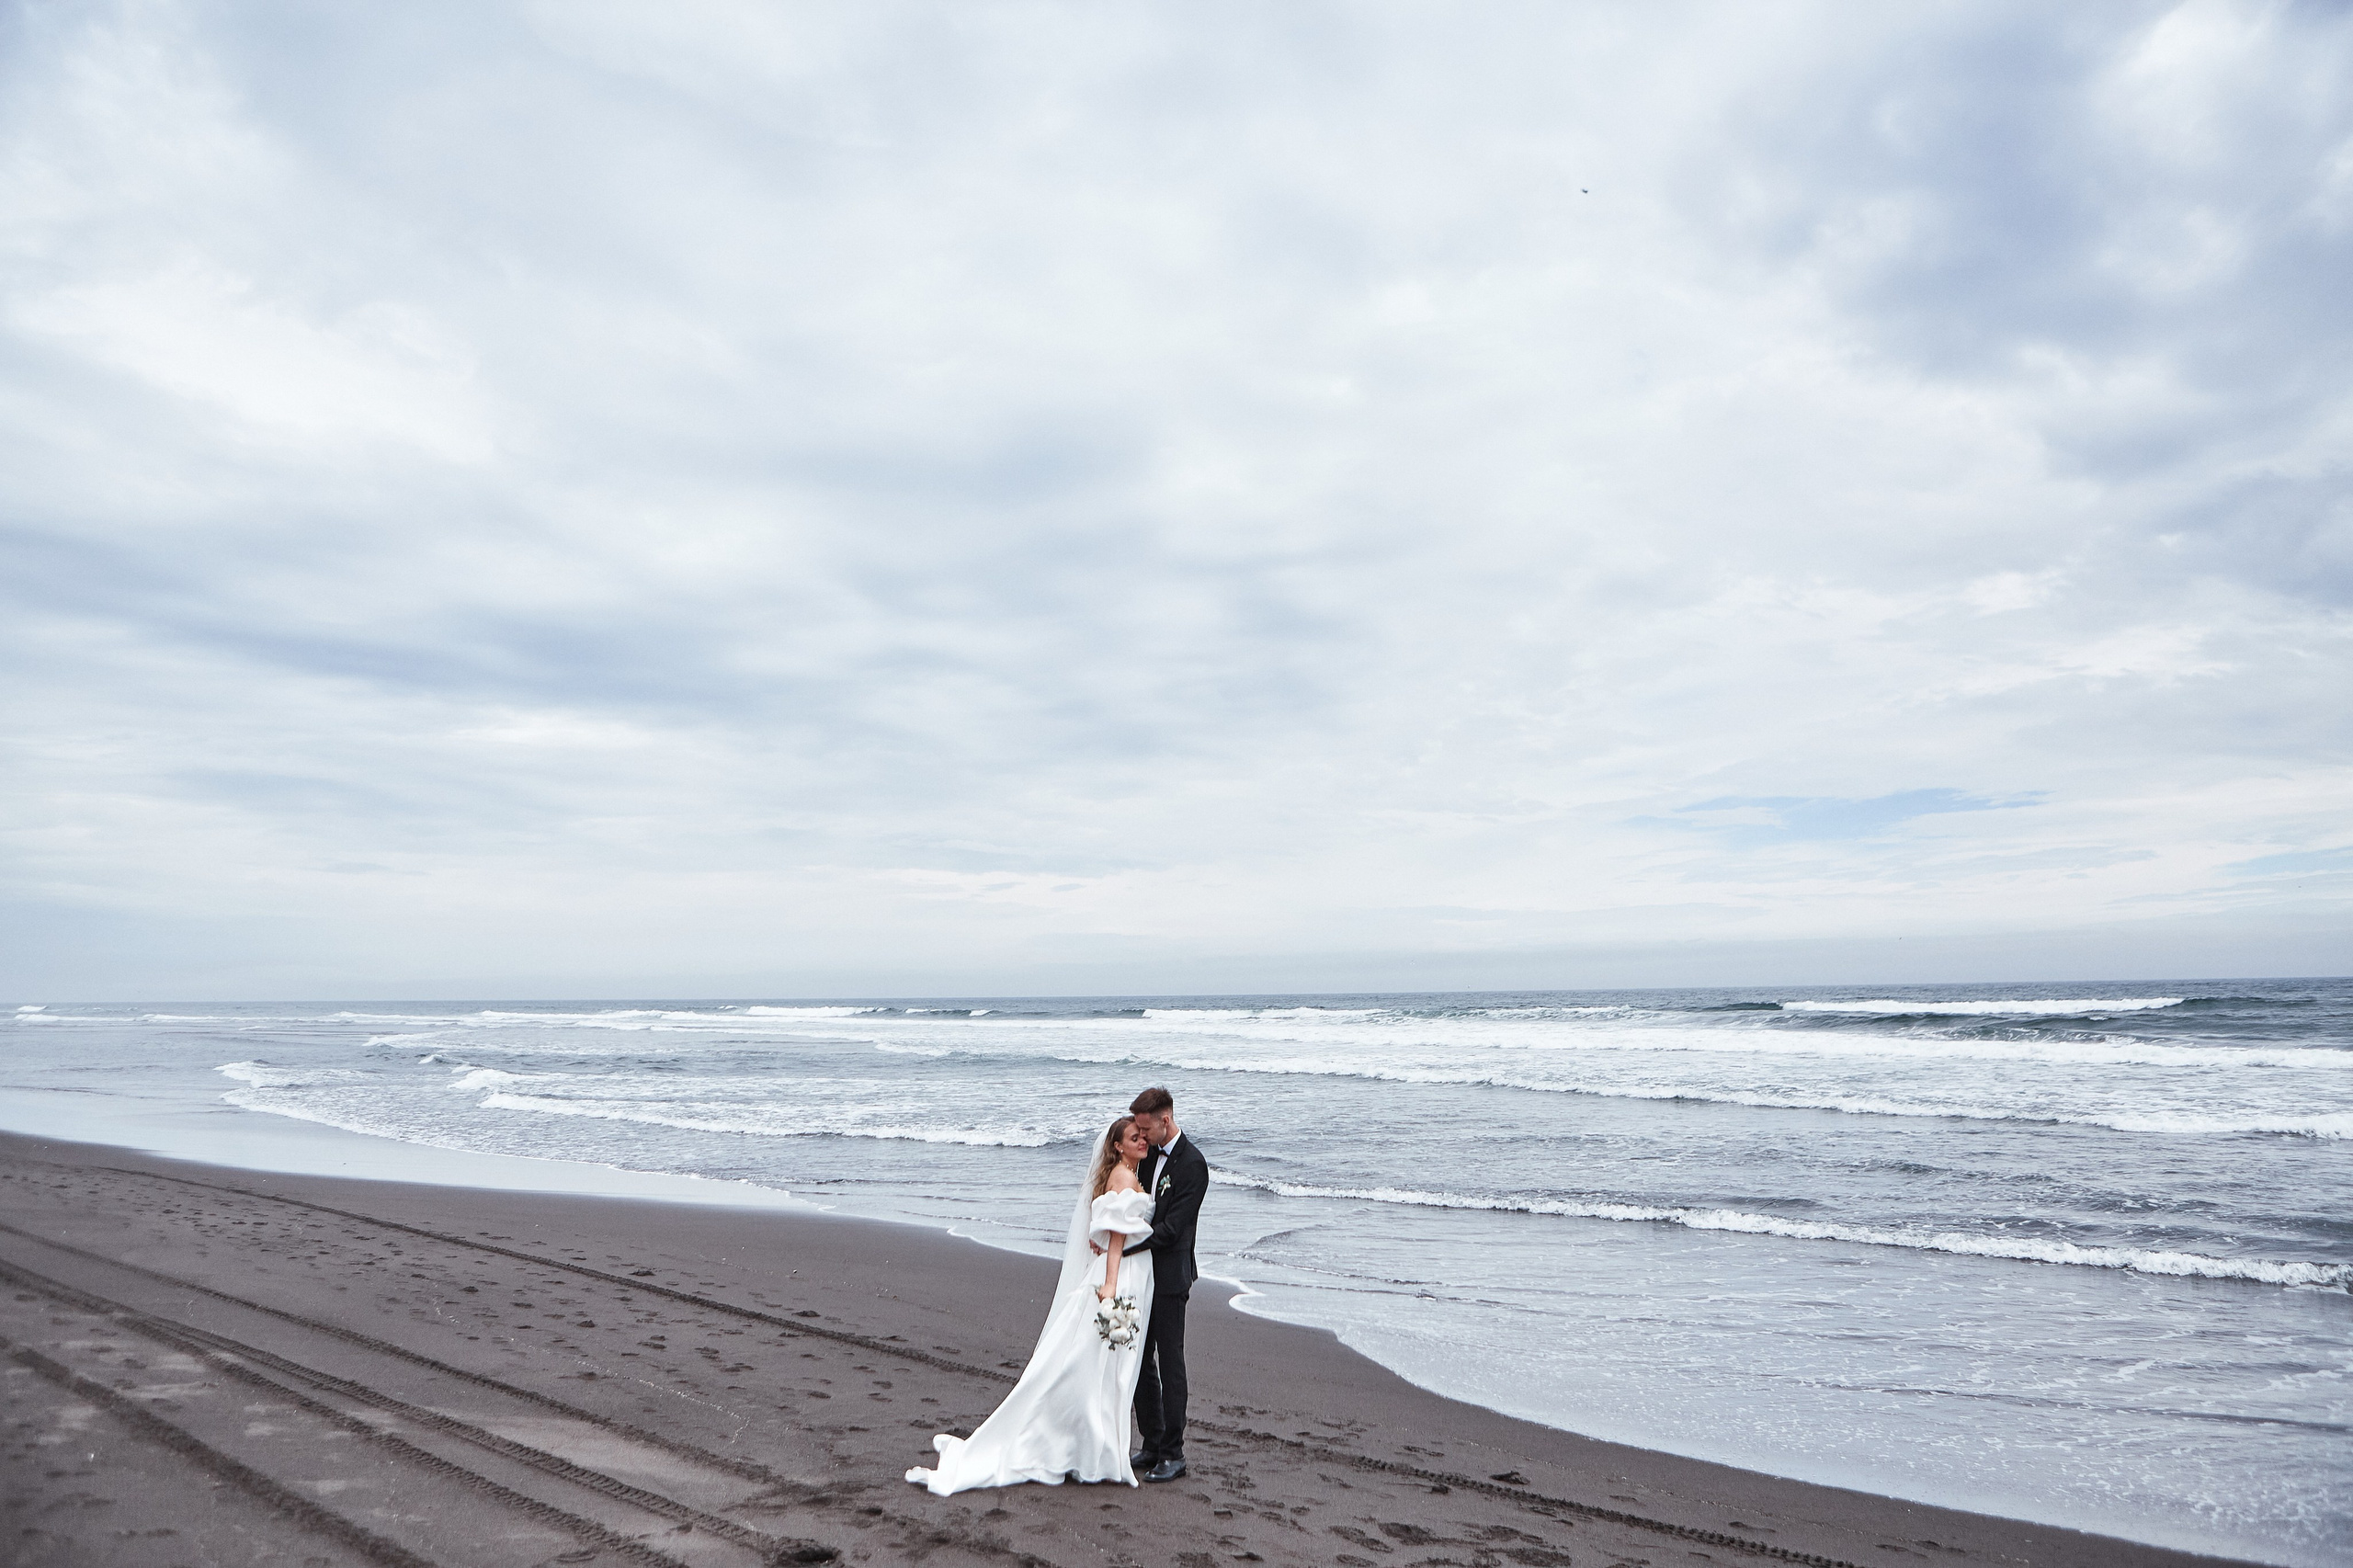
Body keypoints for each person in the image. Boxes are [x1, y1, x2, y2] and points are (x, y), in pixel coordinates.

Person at [905, 1116, 1158, 1494]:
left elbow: (1107, 1231)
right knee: (1098, 1366)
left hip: (1130, 1274)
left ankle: (1093, 1450)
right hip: (1120, 1277)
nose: (1142, 1141)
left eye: (1143, 1136)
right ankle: (1088, 1452)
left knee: (1104, 1366)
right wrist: (1109, 1283)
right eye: (1134, 1138)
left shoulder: (1130, 1172)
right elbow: (1118, 1237)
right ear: (1118, 1146)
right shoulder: (1123, 1177)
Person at [1119, 1085, 1206, 1483]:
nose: (1141, 1136)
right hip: (1140, 1275)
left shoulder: (1192, 1165)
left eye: (1146, 1129)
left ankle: (1174, 1453)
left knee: (1170, 1364)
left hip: (1170, 1278)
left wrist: (1124, 1246)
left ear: (1164, 1121)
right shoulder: (1147, 1154)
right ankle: (1151, 1441)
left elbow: (1171, 1230)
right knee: (1138, 1360)